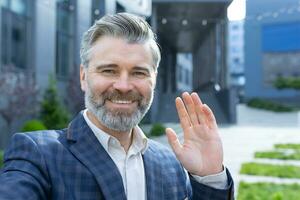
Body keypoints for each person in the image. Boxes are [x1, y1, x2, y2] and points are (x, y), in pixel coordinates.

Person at [0, 13, 234, 200]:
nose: (123, 86)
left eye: (138, 72)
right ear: (83, 76)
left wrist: (209, 177)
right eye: (109, 70)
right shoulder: (38, 155)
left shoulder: (171, 164)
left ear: (154, 79)